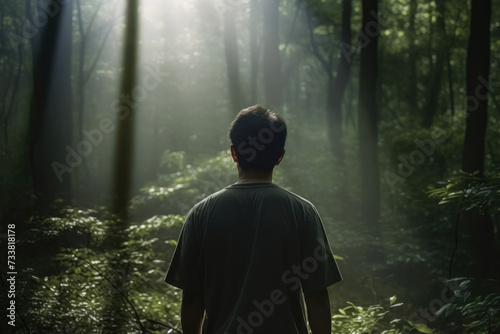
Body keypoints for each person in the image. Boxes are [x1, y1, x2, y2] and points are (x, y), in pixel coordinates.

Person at [165, 105, 342, 334]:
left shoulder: (200, 214)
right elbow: (317, 297)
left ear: (234, 153)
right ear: (280, 157)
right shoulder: (302, 213)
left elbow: (191, 300)